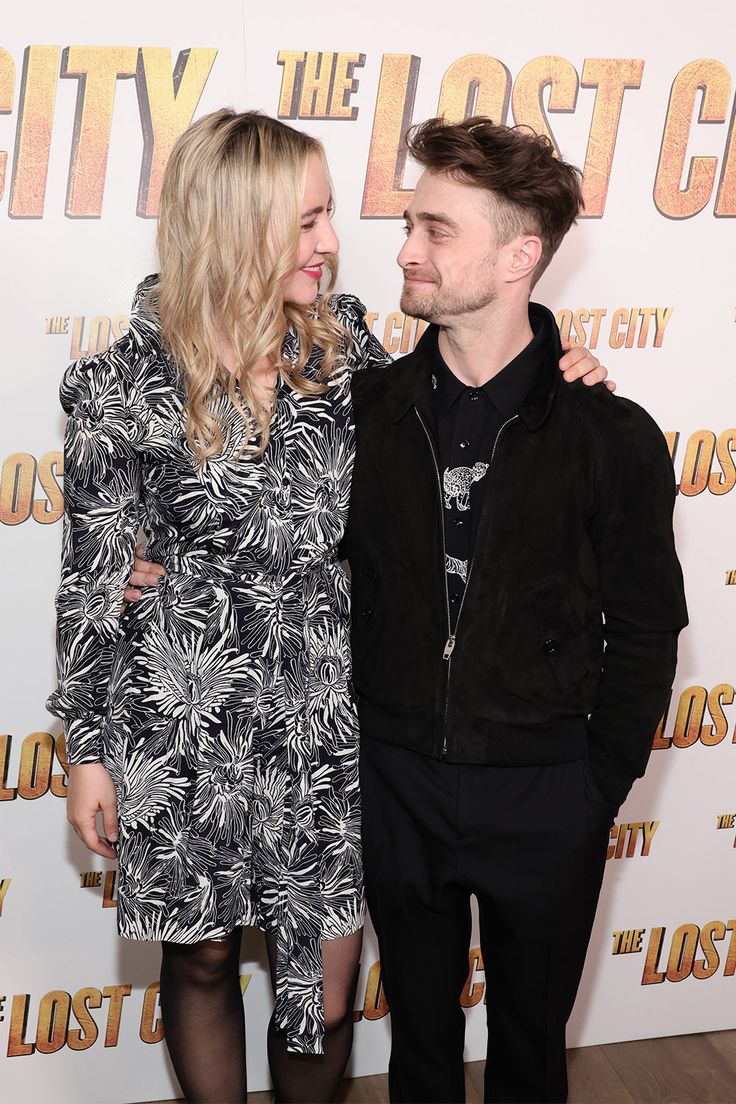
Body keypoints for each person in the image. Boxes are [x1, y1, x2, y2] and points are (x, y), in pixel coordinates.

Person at [80, 111, 608, 1103]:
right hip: (178, 718)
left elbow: (474, 384)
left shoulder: (350, 350)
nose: (332, 241)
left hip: (328, 718)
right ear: (236, 225)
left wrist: (565, 363)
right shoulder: (125, 381)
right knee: (197, 964)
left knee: (319, 997)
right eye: (309, 221)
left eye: (328, 218)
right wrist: (87, 751)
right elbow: (89, 581)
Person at [344, 117, 688, 1104]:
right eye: (409, 225)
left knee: (530, 1052)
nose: (405, 249)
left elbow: (647, 624)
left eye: (436, 230)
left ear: (518, 255)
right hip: (396, 780)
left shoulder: (607, 434)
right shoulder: (366, 411)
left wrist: (593, 788)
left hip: (546, 792)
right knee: (417, 1046)